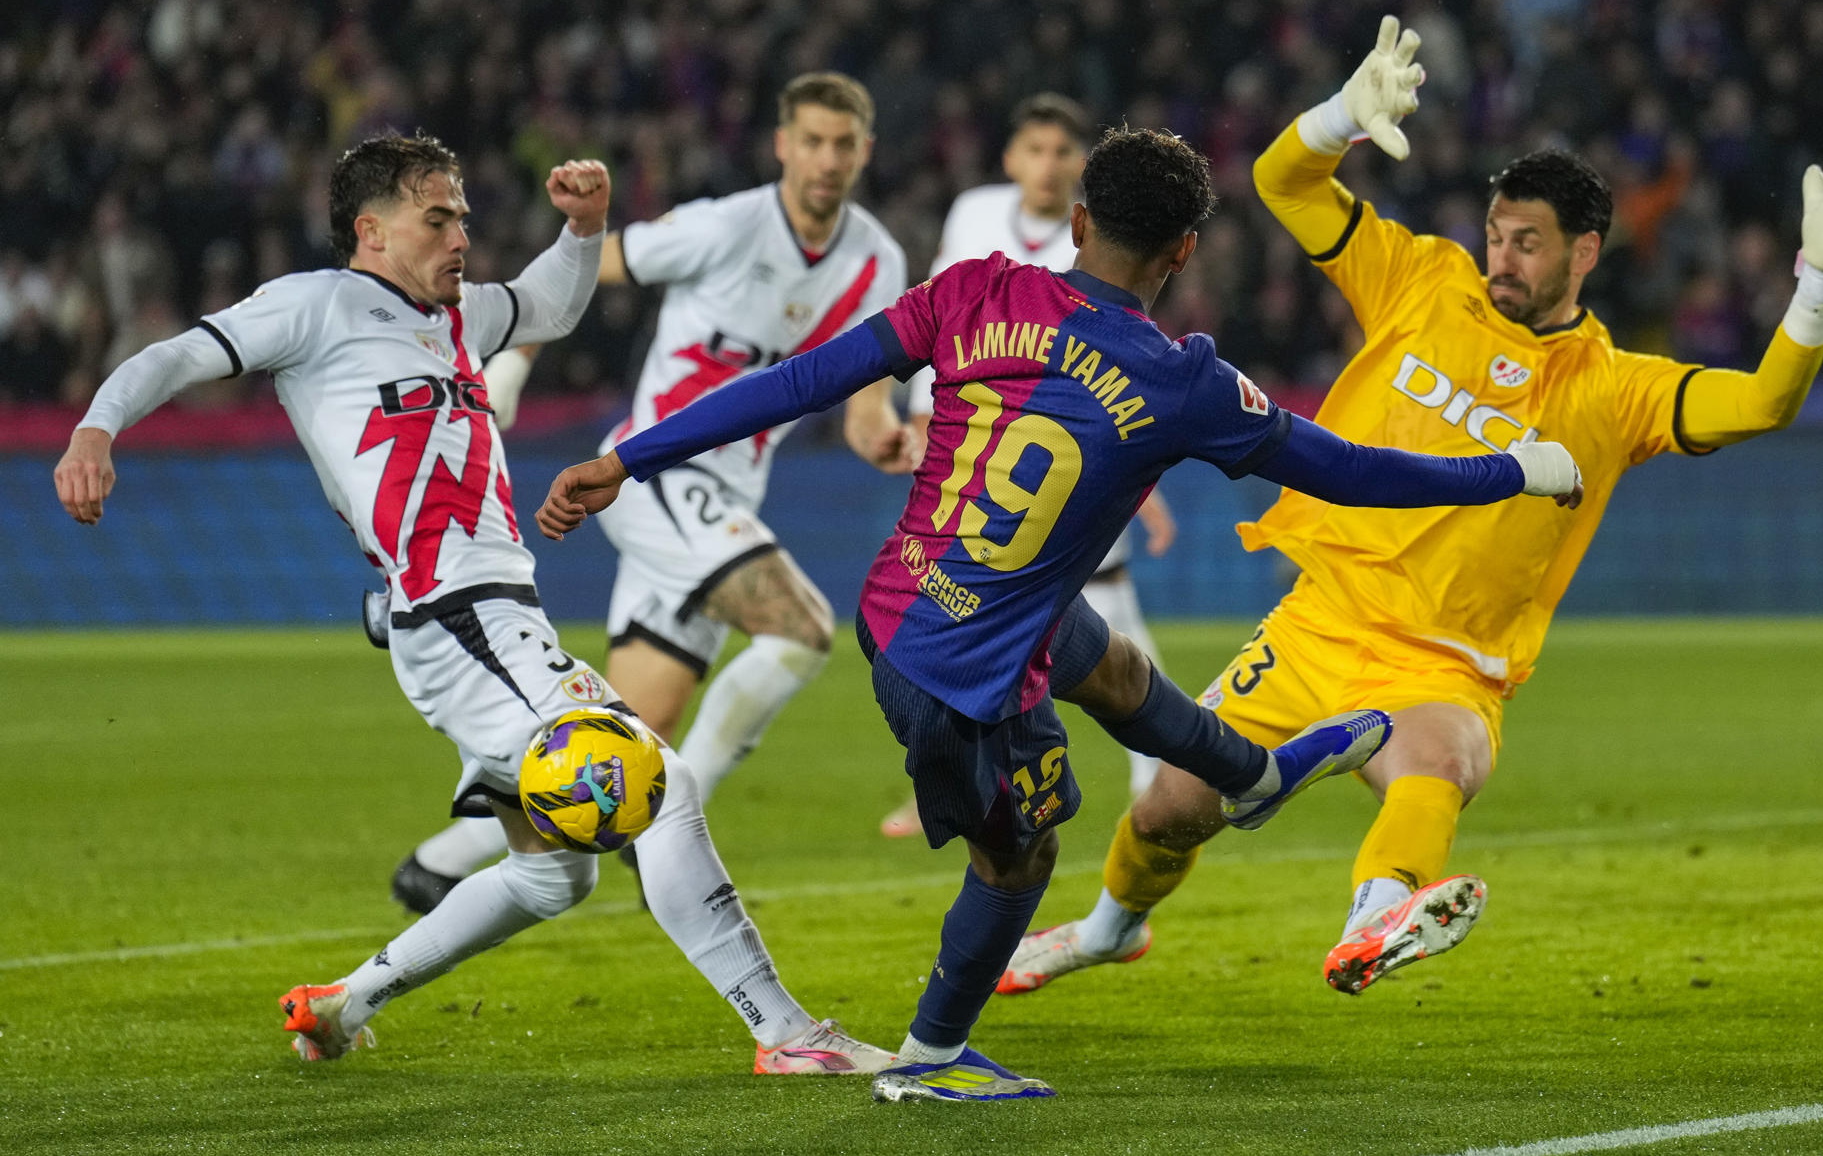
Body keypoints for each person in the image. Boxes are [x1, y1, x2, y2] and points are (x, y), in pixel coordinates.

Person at [535, 125, 1585, 1100]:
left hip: (902, 605)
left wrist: (627, 458)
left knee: (1110, 662)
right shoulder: (1186, 382)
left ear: (1078, 221)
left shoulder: (974, 290)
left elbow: (802, 381)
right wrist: (1514, 469)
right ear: (1183, 252)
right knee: (1021, 859)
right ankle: (932, 1056)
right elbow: (1353, 471)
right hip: (963, 684)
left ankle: (1251, 775)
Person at [995, 16, 1823, 1001]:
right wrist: (1342, 115)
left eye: (1528, 245)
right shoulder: (1422, 279)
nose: (1502, 258)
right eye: (1497, 236)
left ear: (1586, 252)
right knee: (1170, 808)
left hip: (1446, 662)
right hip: (1321, 622)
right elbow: (1284, 183)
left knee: (1441, 761)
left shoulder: (1617, 387)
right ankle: (1111, 929)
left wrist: (1820, 278)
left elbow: (1763, 402)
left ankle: (1375, 921)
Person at [52, 133, 892, 1074]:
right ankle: (786, 1033)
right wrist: (95, 430)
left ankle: (342, 1004)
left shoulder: (459, 317)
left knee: (553, 874)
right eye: (437, 218)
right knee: (657, 784)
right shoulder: (314, 305)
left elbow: (550, 305)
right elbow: (172, 357)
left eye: (462, 217)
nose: (461, 237)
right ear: (371, 230)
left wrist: (584, 229)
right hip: (460, 612)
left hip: (487, 613)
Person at [391, 72, 913, 912]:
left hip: (726, 496)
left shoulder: (877, 261)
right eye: (812, 141)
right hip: (651, 470)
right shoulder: (722, 226)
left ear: (865, 152)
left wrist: (885, 437)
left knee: (630, 734)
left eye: (843, 144)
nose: (827, 159)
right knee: (802, 629)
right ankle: (671, 830)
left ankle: (438, 862)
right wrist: (515, 363)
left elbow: (863, 406)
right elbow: (589, 265)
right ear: (783, 145)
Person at [880, 92, 1170, 841]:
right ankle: (946, 777)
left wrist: (1142, 470)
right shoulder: (975, 213)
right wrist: (920, 412)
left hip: (1074, 445)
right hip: (981, 439)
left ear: (1082, 166)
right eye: (1035, 150)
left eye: (1062, 152)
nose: (1047, 165)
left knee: (1099, 598)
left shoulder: (1100, 235)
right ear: (1011, 158)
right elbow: (937, 308)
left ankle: (1154, 771)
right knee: (963, 606)